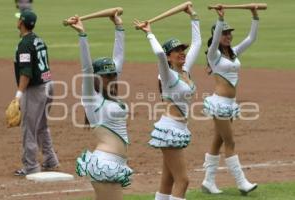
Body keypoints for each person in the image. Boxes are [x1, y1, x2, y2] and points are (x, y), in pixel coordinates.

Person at [134, 4, 201, 200]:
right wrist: (149, 33)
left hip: (178, 128)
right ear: (169, 57)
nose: (182, 52)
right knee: (183, 180)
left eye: (182, 49)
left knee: (168, 180)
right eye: (176, 50)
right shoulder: (168, 75)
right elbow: (158, 54)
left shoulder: (185, 70)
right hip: (170, 128)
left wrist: (193, 16)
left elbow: (197, 43)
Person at [66, 13, 133, 200]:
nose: (112, 78)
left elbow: (118, 58)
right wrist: (82, 34)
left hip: (115, 163)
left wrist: (119, 27)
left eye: (113, 75)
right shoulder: (91, 97)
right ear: (96, 78)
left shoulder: (111, 96)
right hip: (105, 163)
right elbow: (86, 68)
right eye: (107, 76)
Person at [201, 5, 259, 195]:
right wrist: (220, 20)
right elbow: (215, 40)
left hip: (230, 105)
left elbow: (251, 39)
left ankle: (208, 181)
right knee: (230, 142)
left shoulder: (233, 52)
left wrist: (254, 16)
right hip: (219, 104)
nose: (228, 36)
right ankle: (241, 182)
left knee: (218, 140)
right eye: (224, 33)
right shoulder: (213, 55)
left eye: (229, 33)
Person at [13, 10, 59, 176]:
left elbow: (26, 72)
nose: (17, 21)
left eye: (19, 20)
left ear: (22, 23)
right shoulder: (38, 39)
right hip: (48, 85)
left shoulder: (25, 44)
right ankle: (50, 159)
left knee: (29, 128)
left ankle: (31, 166)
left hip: (35, 90)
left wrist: (18, 95)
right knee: (41, 125)